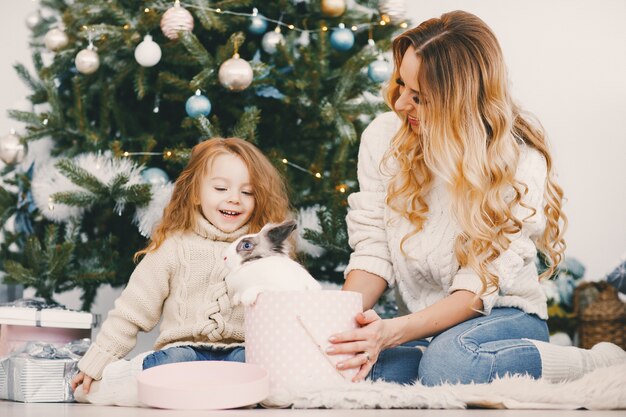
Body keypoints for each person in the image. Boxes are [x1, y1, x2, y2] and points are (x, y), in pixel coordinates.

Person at [327, 10, 626, 386]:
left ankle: (594, 365)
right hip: (423, 326)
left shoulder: (517, 162)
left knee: (451, 366)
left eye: (418, 97)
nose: (401, 104)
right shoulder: (383, 137)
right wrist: (335, 327)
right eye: (401, 85)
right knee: (347, 366)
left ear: (458, 102)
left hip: (503, 316)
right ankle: (425, 358)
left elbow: (476, 289)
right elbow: (372, 250)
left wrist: (393, 333)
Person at [70, 137, 291, 401]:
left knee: (259, 366)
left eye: (247, 192)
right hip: (183, 353)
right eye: (221, 188)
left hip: (239, 353)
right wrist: (98, 360)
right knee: (175, 359)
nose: (234, 199)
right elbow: (132, 310)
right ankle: (124, 382)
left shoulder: (263, 252)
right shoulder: (173, 247)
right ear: (196, 193)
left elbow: (284, 311)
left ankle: (221, 393)